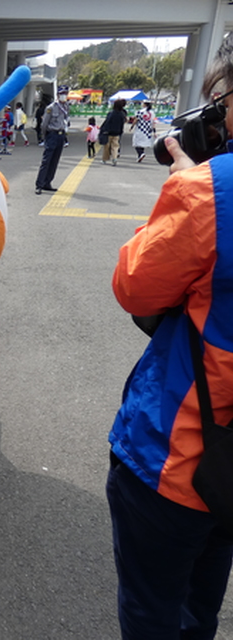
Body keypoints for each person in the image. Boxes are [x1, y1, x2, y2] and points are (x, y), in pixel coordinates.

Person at [107, 32, 233, 640]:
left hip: (181, 457)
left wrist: (184, 187)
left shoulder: (212, 191)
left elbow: (135, 285)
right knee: (200, 606)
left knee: (152, 610)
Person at [35, 85, 70, 195]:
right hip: (52, 134)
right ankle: (39, 185)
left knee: (55, 161)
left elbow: (65, 120)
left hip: (61, 135)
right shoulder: (51, 107)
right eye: (62, 93)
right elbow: (44, 124)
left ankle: (47, 183)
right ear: (58, 95)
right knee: (46, 161)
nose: (64, 95)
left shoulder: (66, 107)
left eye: (65, 93)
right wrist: (45, 137)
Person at [100, 98, 128, 166]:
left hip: (109, 132)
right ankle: (114, 158)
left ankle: (104, 159)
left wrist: (103, 129)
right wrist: (121, 131)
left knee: (107, 147)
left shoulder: (111, 113)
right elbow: (122, 123)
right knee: (115, 147)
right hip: (117, 132)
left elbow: (107, 122)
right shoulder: (122, 114)